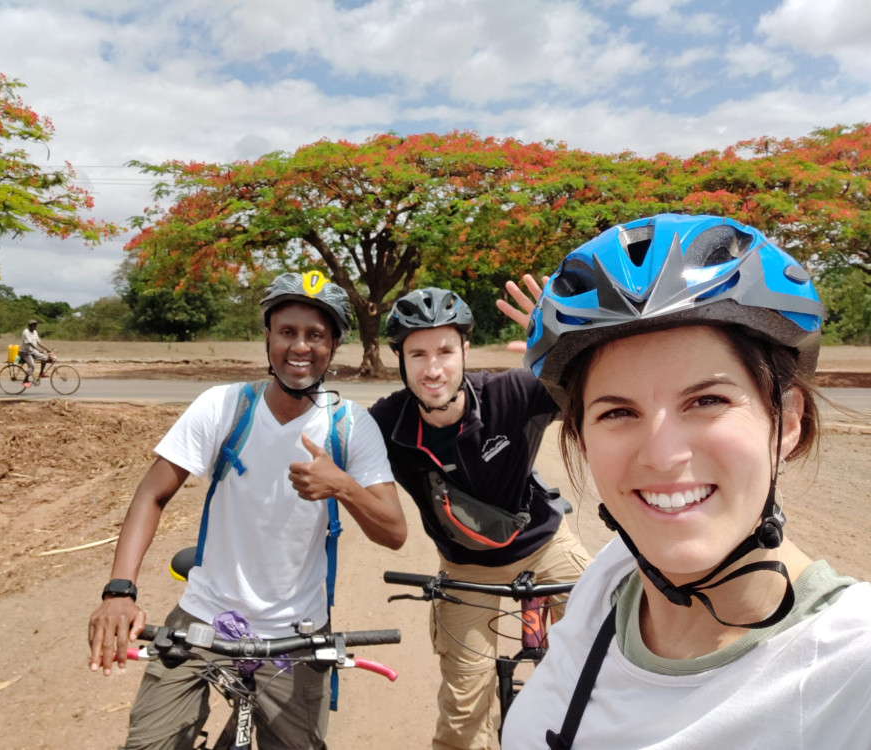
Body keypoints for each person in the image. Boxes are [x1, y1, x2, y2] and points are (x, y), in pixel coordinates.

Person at [501, 213, 871, 749]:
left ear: (787, 422)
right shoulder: (607, 585)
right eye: (616, 412)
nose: (662, 456)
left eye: (707, 401)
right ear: (580, 436)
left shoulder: (850, 667)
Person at [88, 270, 407, 750]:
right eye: (287, 332)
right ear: (268, 337)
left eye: (316, 335)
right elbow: (151, 494)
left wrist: (342, 486)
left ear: (334, 345)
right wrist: (119, 591)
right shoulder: (224, 407)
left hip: (296, 633)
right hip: (203, 620)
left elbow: (394, 532)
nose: (300, 346)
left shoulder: (351, 426)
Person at [368, 287, 591, 750]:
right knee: (464, 706)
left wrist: (561, 340)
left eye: (446, 351)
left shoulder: (511, 392)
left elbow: (597, 382)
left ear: (465, 349)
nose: (433, 369)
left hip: (547, 544)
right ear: (399, 359)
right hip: (467, 568)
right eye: (418, 354)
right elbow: (324, 442)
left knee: (604, 657)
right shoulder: (386, 425)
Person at [20, 319, 53, 387]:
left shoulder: (35, 332)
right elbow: (30, 343)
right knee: (32, 366)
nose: (34, 326)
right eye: (32, 325)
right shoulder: (26, 332)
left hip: (33, 351)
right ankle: (25, 381)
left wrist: (47, 349)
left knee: (45, 358)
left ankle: (41, 373)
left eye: (35, 325)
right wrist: (38, 349)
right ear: (29, 326)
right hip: (25, 352)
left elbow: (39, 342)